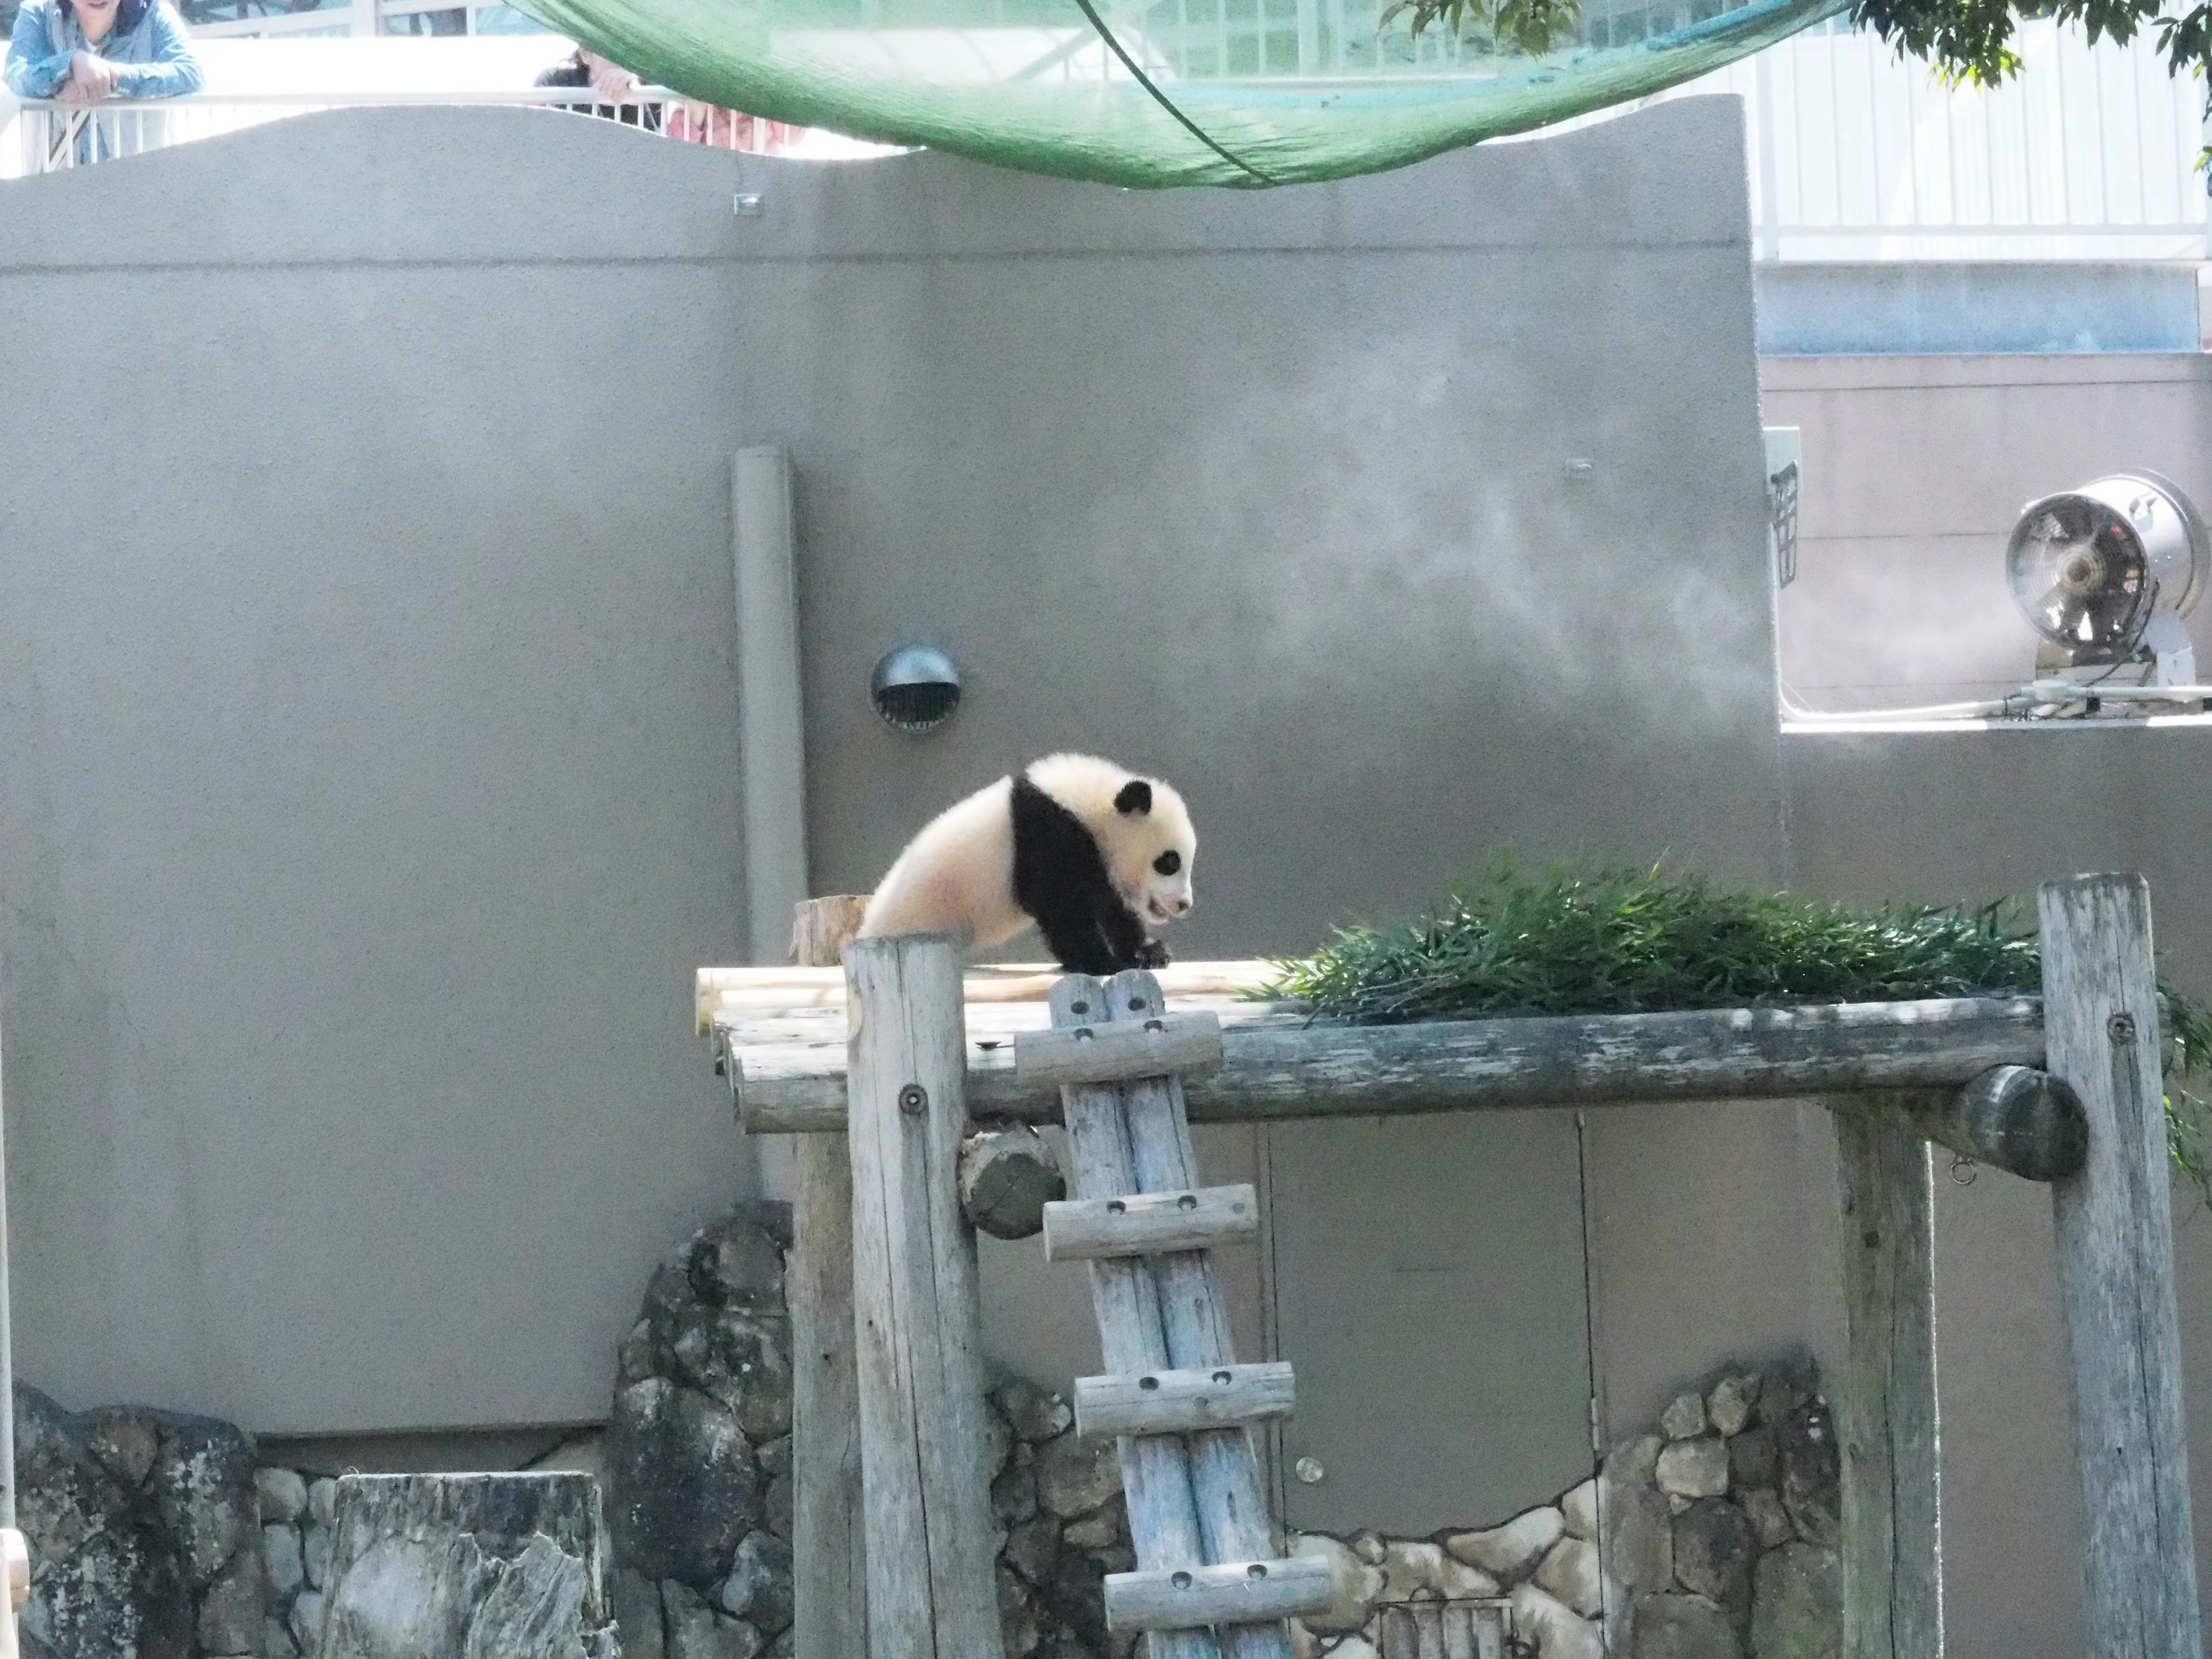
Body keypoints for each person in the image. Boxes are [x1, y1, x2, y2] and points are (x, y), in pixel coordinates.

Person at [5, 0, 202, 105]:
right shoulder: (38, 11)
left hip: (139, 170)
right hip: (59, 172)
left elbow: (190, 74)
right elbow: (16, 72)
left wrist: (111, 77)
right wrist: (70, 63)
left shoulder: (156, 12)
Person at [535, 45, 659, 130]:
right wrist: (590, 100)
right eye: (612, 49)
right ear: (586, 54)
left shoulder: (650, 90)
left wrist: (637, 100)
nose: (623, 58)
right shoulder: (554, 83)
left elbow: (657, 156)